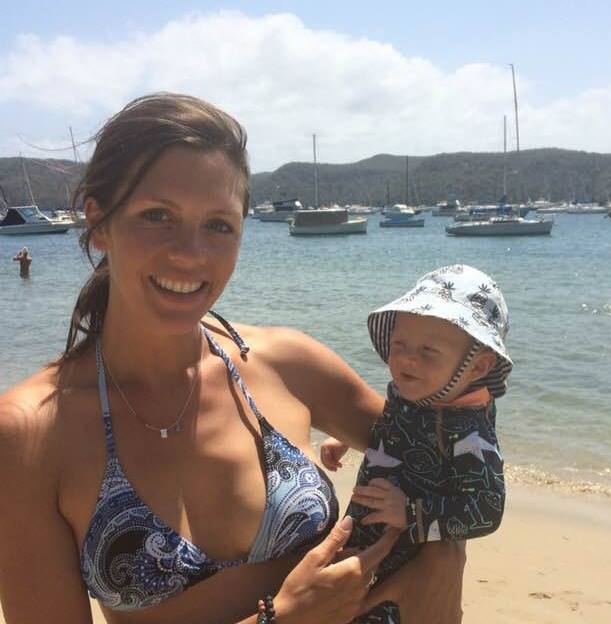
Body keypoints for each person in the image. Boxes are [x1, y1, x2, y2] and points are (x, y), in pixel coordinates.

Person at [0, 93, 465, 624]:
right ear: (100, 222)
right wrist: (282, 618)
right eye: (158, 216)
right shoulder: (31, 433)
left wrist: (444, 557)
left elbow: (454, 456)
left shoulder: (287, 365)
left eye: (219, 225)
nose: (191, 254)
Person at [321, 264, 512, 623]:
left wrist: (411, 513)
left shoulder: (469, 432)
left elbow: (486, 509)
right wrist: (352, 435)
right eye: (400, 344)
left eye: (428, 351)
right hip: (364, 547)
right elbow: (399, 420)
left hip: (402, 570)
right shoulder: (419, 390)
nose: (407, 358)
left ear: (477, 366)